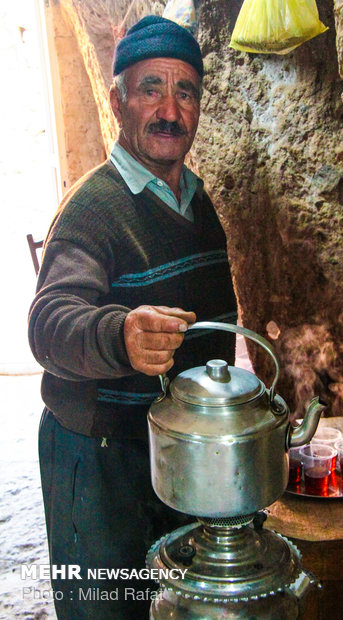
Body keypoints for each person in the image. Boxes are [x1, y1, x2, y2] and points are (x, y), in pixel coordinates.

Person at [28, 15, 237, 619]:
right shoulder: (93, 209)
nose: (169, 109)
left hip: (173, 452)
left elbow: (215, 328)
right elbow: (48, 323)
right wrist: (120, 335)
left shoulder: (196, 200)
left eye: (186, 91)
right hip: (97, 455)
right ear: (119, 101)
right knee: (107, 608)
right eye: (151, 88)